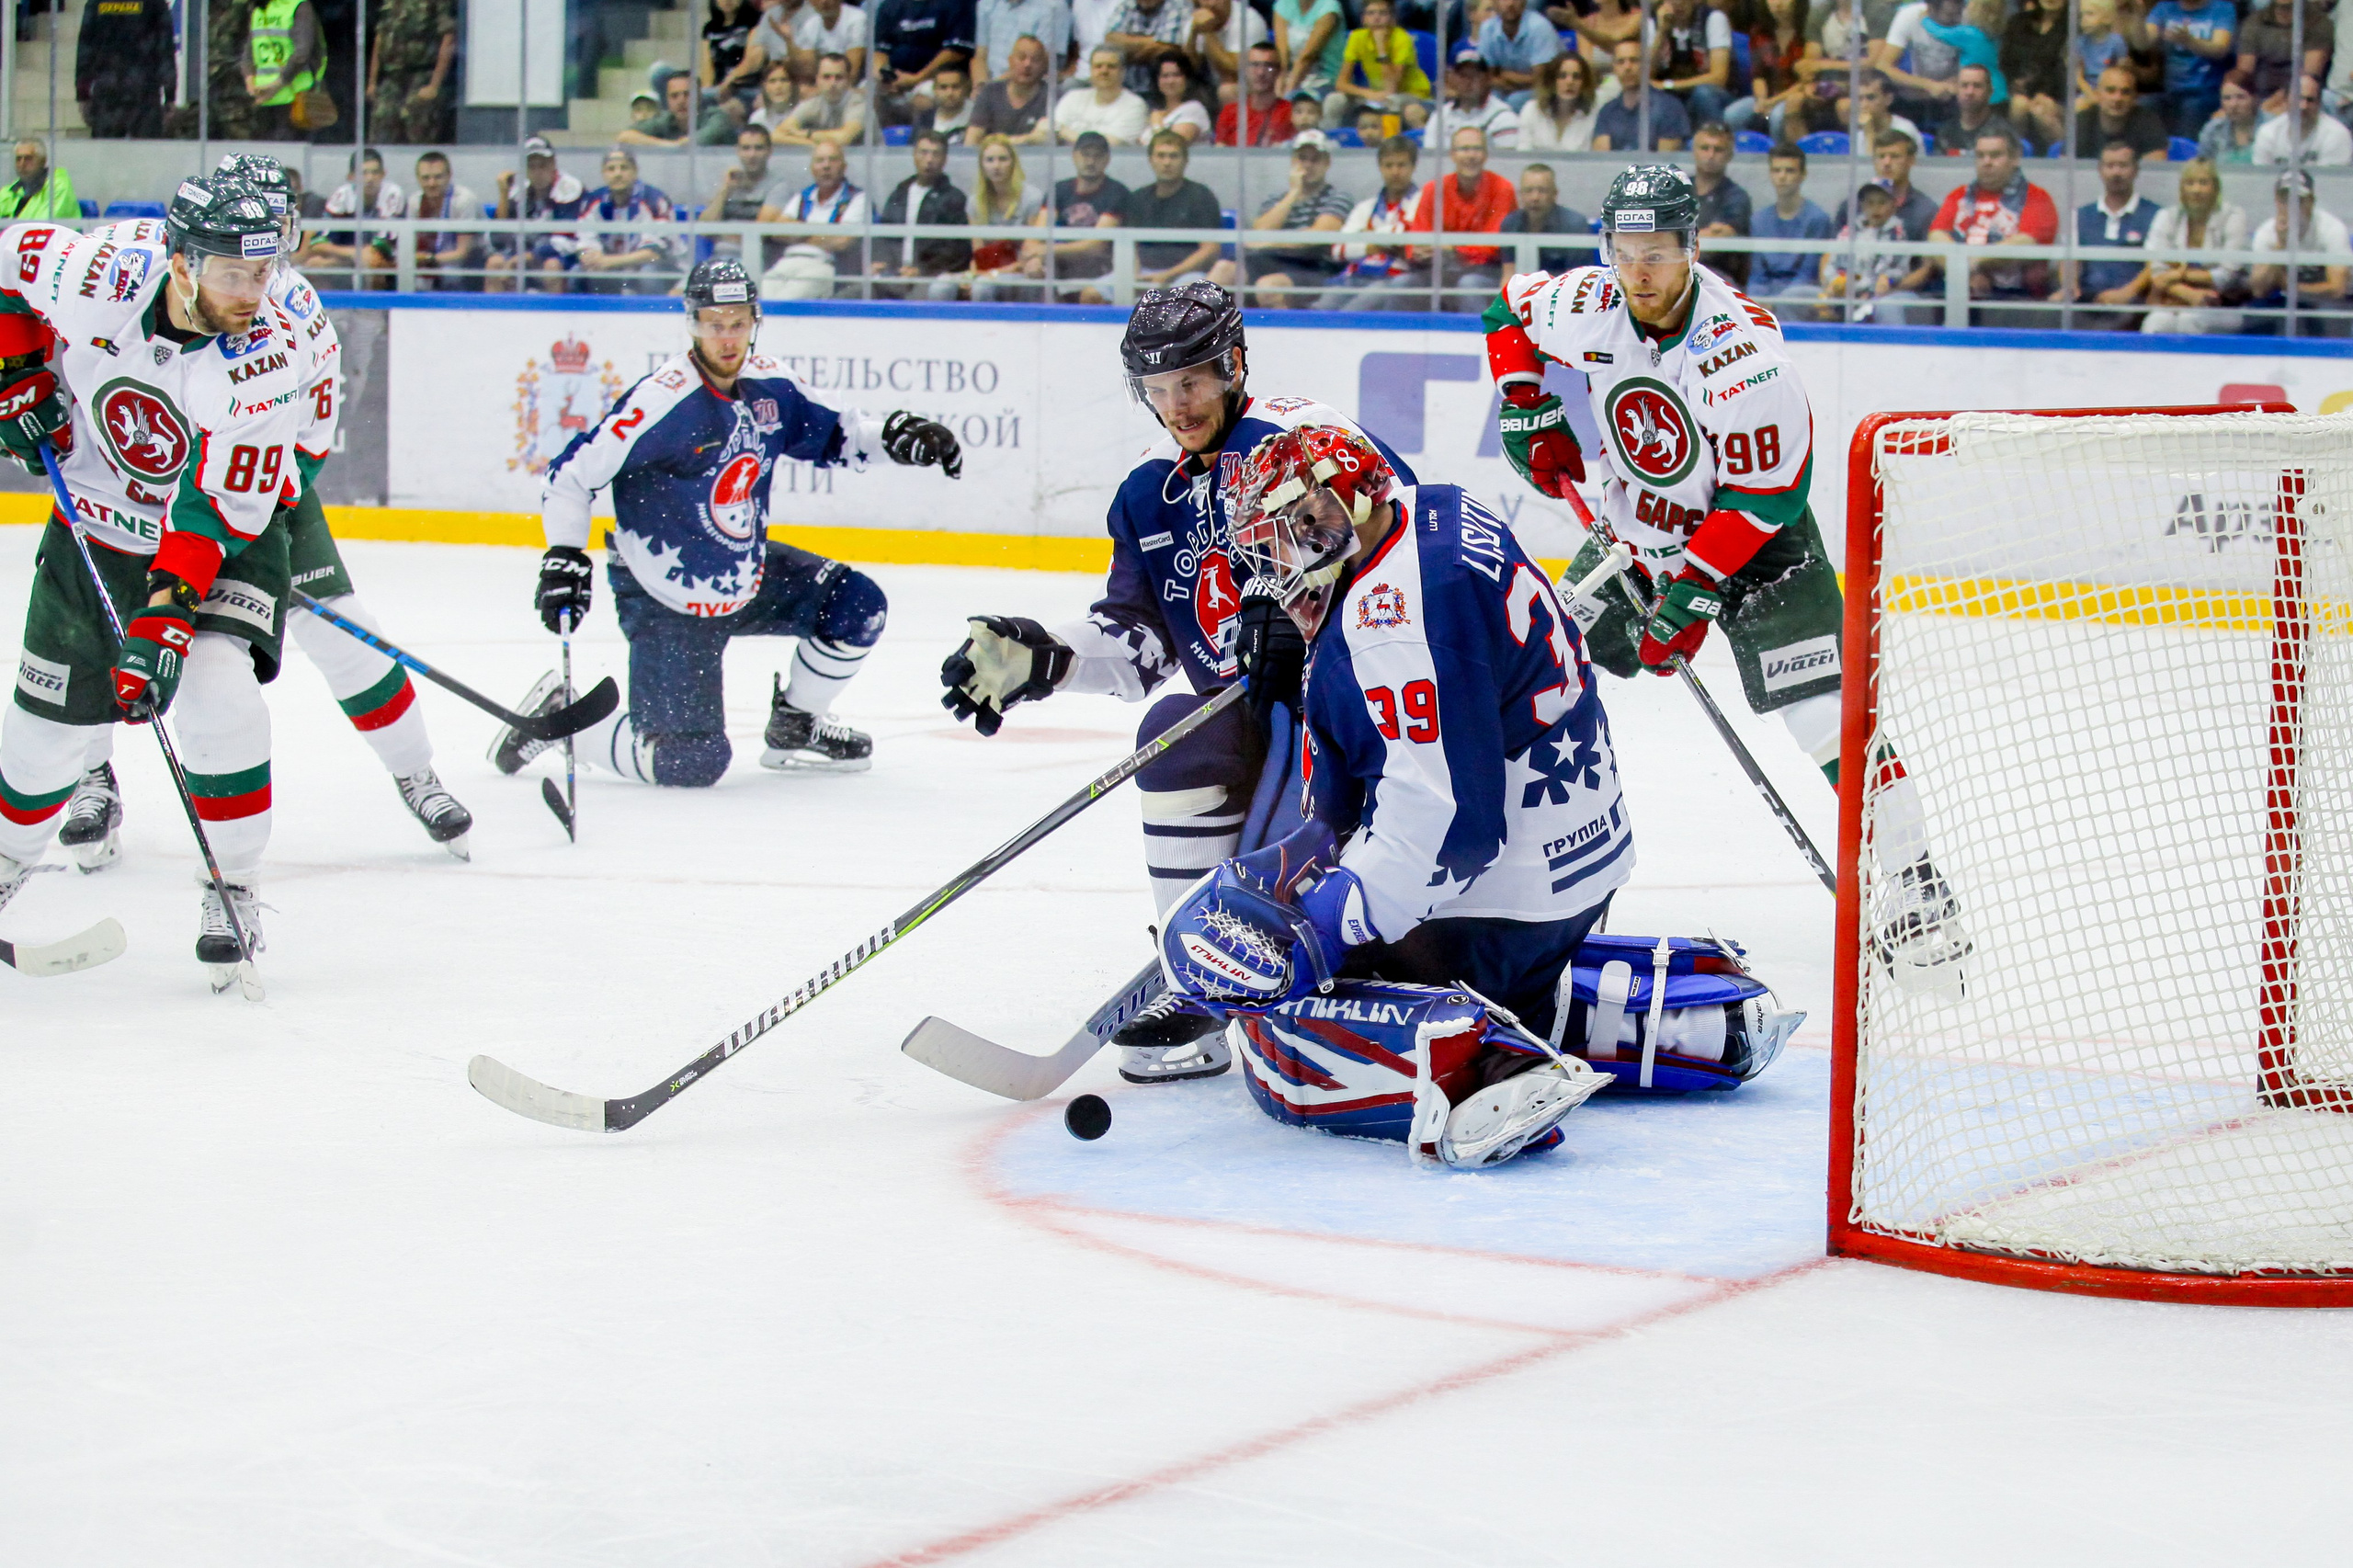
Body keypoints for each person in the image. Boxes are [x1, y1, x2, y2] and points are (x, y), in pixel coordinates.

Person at [1483, 163, 1965, 992]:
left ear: (1692, 246)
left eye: (1659, 251)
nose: (1639, 270)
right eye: (1624, 249)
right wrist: (1528, 402)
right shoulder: (1591, 303)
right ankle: (1493, 855)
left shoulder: (1743, 357)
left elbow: (1769, 494)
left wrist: (1694, 597)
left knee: (1827, 720)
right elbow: (1507, 310)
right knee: (1531, 660)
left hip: (1759, 551)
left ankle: (1918, 887)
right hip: (1638, 538)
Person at [936, 283, 1418, 1080]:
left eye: (1190, 382)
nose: (1175, 407)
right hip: (1258, 731)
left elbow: (1402, 541)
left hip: (1365, 713)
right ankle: (1194, 980)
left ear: (1233, 364)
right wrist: (1044, 656)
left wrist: (1311, 615)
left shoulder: (1303, 438)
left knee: (1369, 938)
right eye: (1156, 390)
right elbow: (1143, 643)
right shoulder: (1145, 494)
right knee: (1172, 739)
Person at [1153, 423, 1661, 1169]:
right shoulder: (1433, 508)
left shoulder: (1391, 622)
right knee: (1329, 937)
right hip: (1575, 867)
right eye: (1273, 540)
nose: (1282, 559)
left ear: (1349, 502)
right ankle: (1594, 1009)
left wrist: (1324, 927)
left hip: (1501, 907)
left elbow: (1450, 826)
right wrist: (1308, 855)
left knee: (1276, 1036)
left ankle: (1487, 1070)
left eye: (1297, 528)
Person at [0, 176, 307, 984]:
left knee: (216, 697)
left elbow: (213, 511)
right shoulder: (95, 274)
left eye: (264, 271)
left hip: (221, 540)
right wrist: (18, 373)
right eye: (233, 275)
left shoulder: (269, 356)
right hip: (95, 520)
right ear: (179, 263)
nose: (254, 294)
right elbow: (4, 267)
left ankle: (231, 885)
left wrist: (164, 623)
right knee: (43, 741)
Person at [500, 261, 957, 789]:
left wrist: (899, 439)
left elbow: (839, 434)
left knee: (857, 606)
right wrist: (564, 556)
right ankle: (564, 722)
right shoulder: (661, 401)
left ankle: (796, 724)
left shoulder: (771, 384)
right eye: (714, 323)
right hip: (665, 599)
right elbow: (570, 477)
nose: (727, 337)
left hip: (745, 574)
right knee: (690, 763)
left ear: (755, 321)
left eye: (738, 322)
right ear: (692, 323)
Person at [199, 154, 475, 860]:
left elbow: (312, 440)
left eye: (279, 233)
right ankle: (89, 778)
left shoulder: (298, 312)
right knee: (112, 636)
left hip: (271, 498)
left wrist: (249, 516)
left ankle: (417, 773)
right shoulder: (164, 285)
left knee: (347, 634)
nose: (267, 256)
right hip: (157, 498)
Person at [1927, 122, 2060, 323]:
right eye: (1980, 156)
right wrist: (1967, 276)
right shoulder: (1958, 195)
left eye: (1995, 155)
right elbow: (1936, 237)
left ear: (2015, 158)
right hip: (1957, 291)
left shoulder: (2037, 198)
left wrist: (1971, 263)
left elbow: (2024, 244)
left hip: (2013, 298)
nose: (1986, 162)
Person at [1211, 127, 1352, 305]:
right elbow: (1260, 231)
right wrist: (1294, 193)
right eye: (1302, 159)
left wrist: (1271, 242)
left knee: (1269, 288)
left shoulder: (1338, 197)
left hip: (1312, 266)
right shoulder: (1277, 199)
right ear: (1293, 161)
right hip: (1269, 260)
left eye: (1315, 160)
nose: (1308, 165)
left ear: (1327, 163)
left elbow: (1318, 235)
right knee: (1223, 271)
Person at [1392, 124, 1516, 311]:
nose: (1471, 155)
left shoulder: (1502, 189)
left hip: (1486, 272)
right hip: (1438, 270)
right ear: (1452, 155)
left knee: (1469, 285)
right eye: (1464, 149)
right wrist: (1418, 251)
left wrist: (1452, 248)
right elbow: (1417, 238)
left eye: (1477, 149)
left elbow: (1494, 246)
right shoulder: (1433, 189)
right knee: (1401, 285)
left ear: (1485, 155)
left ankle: (1479, 339)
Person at [2053, 139, 2163, 327]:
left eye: (2123, 166)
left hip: (2133, 303)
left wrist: (2126, 293)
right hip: (2089, 301)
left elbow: (2155, 264)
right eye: (2110, 166)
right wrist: (2069, 286)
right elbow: (2069, 259)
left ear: (2136, 170)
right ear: (2100, 170)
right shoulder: (2079, 215)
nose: (2116, 172)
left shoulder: (2156, 214)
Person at [2138, 156, 2250, 333]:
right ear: (2181, 188)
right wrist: (2189, 294)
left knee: (2189, 321)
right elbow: (2158, 272)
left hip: (2223, 303)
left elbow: (2228, 274)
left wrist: (2178, 273)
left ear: (2216, 188)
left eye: (2203, 183)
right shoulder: (2167, 216)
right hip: (2175, 298)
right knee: (2156, 323)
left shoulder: (2233, 216)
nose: (2196, 190)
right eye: (2190, 183)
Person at [1316, 132, 1421, 308]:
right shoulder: (1365, 207)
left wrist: (1366, 236)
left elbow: (1404, 236)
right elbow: (1338, 249)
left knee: (1353, 311)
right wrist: (1376, 245)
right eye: (1389, 165)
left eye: (1401, 165)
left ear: (1413, 167)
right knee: (1323, 308)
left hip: (1393, 277)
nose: (1395, 172)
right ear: (1380, 167)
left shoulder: (1422, 201)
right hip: (1357, 275)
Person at [757, 137, 870, 298]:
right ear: (812, 168)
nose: (826, 166)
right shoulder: (804, 195)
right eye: (820, 161)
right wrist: (822, 234)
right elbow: (778, 230)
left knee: (784, 302)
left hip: (823, 265)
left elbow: (842, 241)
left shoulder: (857, 198)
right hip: (787, 262)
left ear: (844, 167)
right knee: (761, 299)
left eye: (833, 160)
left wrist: (800, 232)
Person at [2246, 166, 2353, 332]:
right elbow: (2259, 289)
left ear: (2311, 202)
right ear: (2276, 200)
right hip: (2287, 300)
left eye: (2298, 200)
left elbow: (2337, 289)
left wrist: (2290, 287)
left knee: (2326, 314)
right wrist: (2280, 246)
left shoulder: (2331, 229)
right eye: (2284, 199)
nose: (2291, 207)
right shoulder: (2266, 233)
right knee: (2257, 312)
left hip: (2327, 303)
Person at [872, 128, 973, 299]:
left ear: (945, 159)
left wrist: (921, 270)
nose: (929, 160)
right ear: (914, 155)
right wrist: (880, 263)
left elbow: (957, 251)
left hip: (929, 277)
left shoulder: (954, 198)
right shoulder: (899, 194)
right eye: (923, 153)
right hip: (893, 273)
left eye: (936, 154)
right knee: (853, 294)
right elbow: (883, 234)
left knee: (915, 303)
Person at [485, 136, 590, 293]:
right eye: (531, 167)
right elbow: (498, 239)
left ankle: (557, 316)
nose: (537, 172)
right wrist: (503, 194)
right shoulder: (518, 189)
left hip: (562, 256)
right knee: (494, 264)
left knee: (552, 267)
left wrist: (522, 259)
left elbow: (565, 241)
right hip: (523, 254)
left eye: (543, 166)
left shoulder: (570, 188)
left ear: (553, 164)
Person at [1120, 130, 1224, 287]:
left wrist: (1169, 275)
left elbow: (1210, 250)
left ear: (1185, 161)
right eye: (1161, 156)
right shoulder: (1137, 197)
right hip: (1143, 272)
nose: (1167, 162)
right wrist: (1134, 277)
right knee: (1092, 294)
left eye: (1173, 156)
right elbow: (1129, 246)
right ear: (1150, 160)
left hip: (1186, 274)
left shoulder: (1201, 196)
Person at [1033, 131, 1128, 301]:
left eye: (1097, 156)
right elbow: (1036, 237)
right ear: (1074, 156)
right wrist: (1034, 258)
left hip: (1099, 271)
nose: (1091, 162)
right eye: (1085, 155)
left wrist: (1044, 251)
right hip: (1060, 269)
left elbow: (1095, 246)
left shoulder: (1117, 193)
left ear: (1107, 159)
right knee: (1032, 273)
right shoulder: (1058, 190)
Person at [578, 149, 687, 296]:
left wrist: (607, 261)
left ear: (635, 171)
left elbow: (653, 254)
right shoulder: (593, 200)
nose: (617, 174)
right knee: (578, 272)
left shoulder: (654, 200)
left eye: (624, 168)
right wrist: (590, 255)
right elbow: (585, 240)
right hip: (616, 266)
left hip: (664, 268)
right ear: (603, 174)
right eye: (611, 169)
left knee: (648, 273)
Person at [2122, 0, 2234, 134]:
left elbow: (2220, 49)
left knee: (2191, 109)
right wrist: (2139, 15)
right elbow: (2143, 44)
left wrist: (2190, 41)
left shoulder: (2222, 8)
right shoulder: (2165, 7)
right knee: (2143, 105)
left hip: (2204, 92)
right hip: (2171, 92)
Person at [306, 147, 406, 286]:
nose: (370, 179)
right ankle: (331, 307)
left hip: (388, 261)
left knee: (374, 263)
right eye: (363, 173)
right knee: (315, 263)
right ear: (351, 177)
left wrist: (339, 261)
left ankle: (375, 307)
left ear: (384, 174)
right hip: (350, 259)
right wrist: (354, 254)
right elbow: (318, 244)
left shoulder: (392, 194)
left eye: (375, 172)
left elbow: (381, 248)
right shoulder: (342, 195)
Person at [74, 0, 175, 138]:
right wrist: (170, 95)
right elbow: (165, 49)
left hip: (107, 92)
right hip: (144, 92)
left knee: (107, 153)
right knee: (146, 154)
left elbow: (85, 49)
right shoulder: (155, 4)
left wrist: (83, 94)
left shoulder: (97, 3)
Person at [1817, 176, 1915, 318]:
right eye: (1870, 203)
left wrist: (1888, 279)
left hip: (1875, 292)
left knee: (1870, 310)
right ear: (1862, 206)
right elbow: (1833, 261)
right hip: (1844, 290)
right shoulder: (1849, 231)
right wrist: (1833, 282)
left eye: (1882, 203)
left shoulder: (1897, 234)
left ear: (1893, 206)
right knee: (1815, 302)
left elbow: (1901, 269)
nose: (1876, 208)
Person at [965, 134, 1046, 297]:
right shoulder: (974, 202)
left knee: (982, 286)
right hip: (988, 272)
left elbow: (1030, 253)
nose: (996, 166)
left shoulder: (1032, 198)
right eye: (990, 160)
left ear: (1013, 163)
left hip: (1023, 270)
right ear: (982, 166)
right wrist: (972, 275)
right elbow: (979, 252)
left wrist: (992, 274)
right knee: (943, 286)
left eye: (1003, 159)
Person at [1330, 0, 1432, 131]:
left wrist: (1381, 48)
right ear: (1363, 19)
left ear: (1392, 18)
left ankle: (1390, 142)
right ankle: (1332, 139)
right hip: (1375, 94)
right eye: (1371, 13)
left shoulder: (1402, 39)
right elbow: (1341, 84)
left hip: (1411, 94)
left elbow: (1391, 87)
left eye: (1382, 13)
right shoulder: (1356, 37)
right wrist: (1368, 93)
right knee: (1334, 100)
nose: (1376, 18)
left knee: (1391, 100)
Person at [368, 0, 458, 143]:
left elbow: (448, 38)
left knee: (419, 133)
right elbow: (380, 37)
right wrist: (372, 81)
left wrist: (434, 85)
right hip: (391, 78)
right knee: (381, 129)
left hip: (422, 76)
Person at [871, 0, 977, 121]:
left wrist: (918, 78)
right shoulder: (889, 6)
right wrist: (887, 77)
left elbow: (955, 52)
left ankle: (920, 138)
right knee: (867, 94)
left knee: (922, 100)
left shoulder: (956, 4)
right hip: (897, 79)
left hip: (936, 79)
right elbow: (880, 51)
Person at [1750, 142, 1832, 298]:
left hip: (1800, 296)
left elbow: (1809, 274)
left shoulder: (1817, 219)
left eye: (1790, 171)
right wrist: (1757, 302)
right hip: (1764, 300)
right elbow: (1757, 274)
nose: (1782, 176)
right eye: (1776, 170)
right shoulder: (1758, 220)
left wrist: (1778, 302)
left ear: (1803, 174)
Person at [1724, 0, 1810, 136]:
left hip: (1796, 97)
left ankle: (1779, 154)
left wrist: (1772, 102)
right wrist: (1762, 100)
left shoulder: (1807, 33)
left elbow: (1806, 82)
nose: (1778, 4)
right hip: (1767, 96)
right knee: (1732, 114)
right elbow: (1758, 75)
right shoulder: (1759, 33)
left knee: (1776, 117)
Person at [244, 0, 327, 141]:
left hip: (280, 98)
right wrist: (271, 85)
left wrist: (251, 83)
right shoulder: (296, 7)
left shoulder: (261, 10)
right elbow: (301, 54)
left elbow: (247, 56)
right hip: (286, 95)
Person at [1592, 37, 1690, 151]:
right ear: (1614, 68)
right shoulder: (1607, 112)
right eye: (1621, 62)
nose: (1627, 67)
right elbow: (1602, 162)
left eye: (1634, 60)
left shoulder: (1670, 108)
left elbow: (1665, 163)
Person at [1497, 162, 1594, 275]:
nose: (1535, 198)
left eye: (1542, 191)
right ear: (1520, 194)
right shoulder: (1510, 223)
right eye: (1528, 190)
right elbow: (1509, 274)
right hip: (1525, 288)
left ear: (1554, 194)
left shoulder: (1575, 225)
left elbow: (1576, 278)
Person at [410, 148, 485, 289]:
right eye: (426, 178)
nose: (432, 183)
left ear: (449, 176)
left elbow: (463, 253)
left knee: (452, 273)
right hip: (435, 260)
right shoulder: (415, 202)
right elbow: (411, 247)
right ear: (418, 178)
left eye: (438, 177)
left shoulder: (464, 200)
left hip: (473, 261)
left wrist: (427, 258)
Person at [2236, 0, 2327, 114]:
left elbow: (2309, 76)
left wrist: (2266, 109)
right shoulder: (2254, 21)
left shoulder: (2319, 22)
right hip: (2257, 98)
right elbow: (2244, 75)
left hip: (2298, 98)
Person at [1690, 121, 1752, 287]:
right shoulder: (1677, 190)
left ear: (1729, 154)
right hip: (1677, 269)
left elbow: (1720, 237)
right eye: (1704, 148)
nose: (1710, 155)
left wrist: (1675, 241)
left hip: (1717, 275)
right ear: (1694, 151)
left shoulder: (1736, 197)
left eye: (1718, 150)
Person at [1999, 0, 2068, 149]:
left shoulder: (2073, 27)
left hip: (2057, 96)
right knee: (2019, 105)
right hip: (2018, 92)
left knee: (2041, 111)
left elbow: (2063, 70)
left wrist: (2045, 94)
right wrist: (2015, 84)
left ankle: (2065, 158)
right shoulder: (2018, 22)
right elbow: (2005, 62)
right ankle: (2016, 156)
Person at [1652, 0, 1733, 124]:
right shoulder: (1653, 22)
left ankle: (1714, 138)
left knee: (1703, 94)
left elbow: (1719, 78)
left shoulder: (1713, 19)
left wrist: (1668, 85)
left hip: (1713, 96)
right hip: (1670, 99)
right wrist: (1661, 32)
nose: (1679, 3)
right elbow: (1643, 76)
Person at [708, 125, 779, 262]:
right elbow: (704, 228)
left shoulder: (778, 186)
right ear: (738, 151)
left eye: (758, 148)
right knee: (683, 284)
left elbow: (756, 234)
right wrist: (726, 189)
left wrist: (718, 233)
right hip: (717, 258)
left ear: (770, 151)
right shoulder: (730, 181)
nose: (752, 155)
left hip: (752, 260)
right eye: (746, 148)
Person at [1428, 46, 1522, 149]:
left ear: (1487, 79)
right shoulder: (1440, 117)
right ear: (1453, 79)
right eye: (1463, 76)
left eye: (1475, 76)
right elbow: (1431, 159)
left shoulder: (1504, 117)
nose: (1468, 82)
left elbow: (1507, 162)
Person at [967, 31, 1055, 142]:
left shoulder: (1053, 97)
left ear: (1044, 65)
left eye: (1035, 59)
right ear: (1010, 61)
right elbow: (972, 139)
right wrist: (1027, 139)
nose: (1027, 64)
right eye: (1021, 58)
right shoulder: (990, 92)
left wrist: (994, 141)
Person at [2075, 63, 2171, 164]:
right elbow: (2065, 169)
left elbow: (2154, 170)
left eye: (2125, 92)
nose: (2117, 98)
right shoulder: (2082, 121)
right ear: (2098, 94)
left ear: (2135, 97)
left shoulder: (2149, 122)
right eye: (2110, 91)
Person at [1058, 43, 1153, 141]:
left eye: (1111, 66)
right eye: (1098, 66)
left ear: (1123, 72)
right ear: (1090, 70)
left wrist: (1062, 131)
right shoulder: (1073, 98)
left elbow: (1110, 145)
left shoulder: (1135, 105)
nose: (1104, 71)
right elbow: (1044, 132)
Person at [2254, 73, 2353, 165]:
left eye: (2310, 100)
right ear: (2285, 101)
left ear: (2319, 103)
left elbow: (2331, 181)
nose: (2303, 106)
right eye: (2298, 99)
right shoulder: (2268, 133)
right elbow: (2261, 178)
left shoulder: (2337, 134)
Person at [1273, 0, 1347, 122]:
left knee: (1297, 108)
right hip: (1292, 77)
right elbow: (1282, 53)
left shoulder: (1329, 7)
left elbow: (1308, 57)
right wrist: (1280, 83)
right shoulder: (1283, 5)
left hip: (1325, 79)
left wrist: (1287, 95)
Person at [1476, 0, 1561, 105]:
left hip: (1548, 89)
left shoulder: (1539, 27)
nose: (1510, 3)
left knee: (1515, 100)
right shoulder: (1487, 28)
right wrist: (1509, 82)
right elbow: (1486, 76)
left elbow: (1542, 80)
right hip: (1505, 88)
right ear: (1494, 3)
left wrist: (1507, 75)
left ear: (1525, 2)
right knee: (1490, 97)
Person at [778, 51, 871, 143]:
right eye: (826, 77)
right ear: (817, 79)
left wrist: (807, 134)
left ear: (848, 80)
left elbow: (844, 138)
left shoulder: (859, 103)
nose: (832, 83)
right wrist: (811, 144)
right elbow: (777, 135)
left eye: (838, 77)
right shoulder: (813, 103)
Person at [1217, 41, 1297, 142]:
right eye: (1254, 65)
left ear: (1279, 71)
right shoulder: (1230, 112)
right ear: (1245, 69)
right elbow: (1219, 152)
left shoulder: (1291, 113)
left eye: (1269, 67)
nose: (1261, 73)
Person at [1517, 51, 1594, 150]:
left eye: (1576, 77)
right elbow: (1523, 153)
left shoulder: (1593, 115)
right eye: (1562, 76)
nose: (1570, 82)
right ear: (1551, 81)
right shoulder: (1531, 110)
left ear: (1585, 83)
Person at [974, 0, 1072, 78]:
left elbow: (1043, 63)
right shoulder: (987, 4)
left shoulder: (1054, 6)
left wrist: (992, 88)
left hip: (1030, 88)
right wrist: (980, 87)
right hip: (991, 87)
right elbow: (980, 56)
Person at [1929, 61, 2000, 153]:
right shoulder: (1945, 134)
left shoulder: (2002, 134)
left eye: (1977, 86)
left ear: (1990, 92)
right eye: (1964, 86)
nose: (1970, 92)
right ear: (1957, 90)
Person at [790, 0, 870, 82]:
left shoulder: (857, 18)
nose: (824, 1)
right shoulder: (810, 24)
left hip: (857, 86)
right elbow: (807, 70)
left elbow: (852, 73)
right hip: (824, 85)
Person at [1144, 52, 1215, 142]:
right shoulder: (1156, 113)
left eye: (1176, 75)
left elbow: (1172, 145)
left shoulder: (1194, 109)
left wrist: (1156, 125)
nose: (1171, 81)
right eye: (1165, 76)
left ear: (1187, 79)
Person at [0, 141, 76, 221]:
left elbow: (44, 226)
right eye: (18, 159)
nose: (22, 164)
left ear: (42, 161)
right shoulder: (10, 191)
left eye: (28, 159)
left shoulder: (58, 187)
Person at [2200, 68, 2263, 163]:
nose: (2233, 105)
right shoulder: (2212, 130)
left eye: (2241, 97)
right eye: (2227, 98)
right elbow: (2203, 168)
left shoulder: (2272, 129)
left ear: (2255, 99)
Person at [914, 59, 977, 134]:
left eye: (955, 87)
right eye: (943, 87)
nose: (949, 93)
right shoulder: (925, 119)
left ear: (965, 88)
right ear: (934, 90)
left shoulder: (977, 115)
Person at [749, 61, 801, 132]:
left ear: (793, 84)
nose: (778, 86)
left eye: (784, 80)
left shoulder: (803, 115)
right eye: (772, 81)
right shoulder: (758, 118)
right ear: (764, 87)